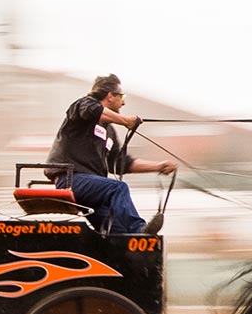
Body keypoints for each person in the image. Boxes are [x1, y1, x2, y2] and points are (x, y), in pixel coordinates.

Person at [45, 74, 175, 234]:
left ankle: (130, 248)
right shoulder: (81, 106)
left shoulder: (110, 132)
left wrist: (158, 167)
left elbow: (122, 163)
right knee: (118, 188)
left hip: (94, 189)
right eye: (122, 96)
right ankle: (140, 230)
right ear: (110, 96)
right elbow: (93, 110)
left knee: (118, 231)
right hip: (71, 181)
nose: (124, 102)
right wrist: (126, 121)